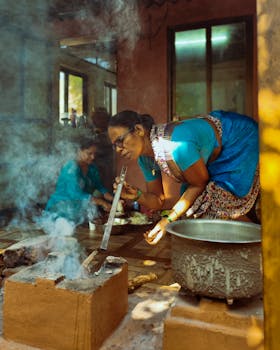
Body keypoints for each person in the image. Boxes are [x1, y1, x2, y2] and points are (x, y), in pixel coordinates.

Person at [108, 110, 260, 245]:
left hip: (238, 138)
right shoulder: (145, 159)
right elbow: (158, 201)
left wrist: (166, 221)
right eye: (114, 146)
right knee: (192, 213)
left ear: (139, 130)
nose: (118, 149)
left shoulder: (176, 145)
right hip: (212, 154)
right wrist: (137, 196)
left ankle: (264, 245)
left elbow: (199, 184)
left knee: (215, 209)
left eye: (120, 141)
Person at [45, 137, 113, 225]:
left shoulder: (92, 168)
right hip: (60, 210)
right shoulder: (71, 168)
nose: (93, 157)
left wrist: (112, 198)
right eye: (89, 153)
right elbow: (75, 194)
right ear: (79, 151)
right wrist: (102, 202)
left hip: (77, 212)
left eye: (94, 154)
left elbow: (99, 186)